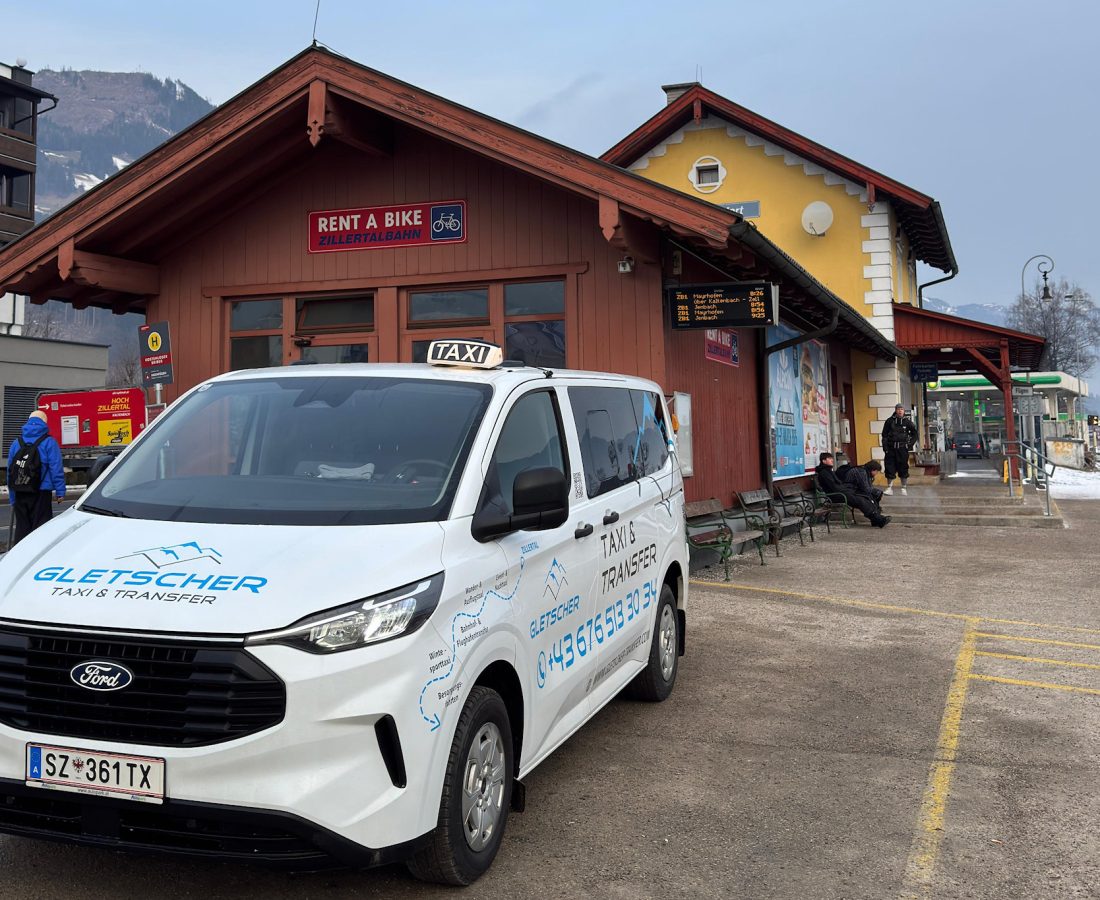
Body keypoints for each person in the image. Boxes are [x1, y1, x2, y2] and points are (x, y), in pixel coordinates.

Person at [7, 411, 66, 546]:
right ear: (44, 423)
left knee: (22, 529)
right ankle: (38, 559)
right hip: (41, 491)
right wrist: (60, 492)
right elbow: (56, 468)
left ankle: (20, 558)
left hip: (19, 491)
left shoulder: (16, 443)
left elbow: (11, 472)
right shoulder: (49, 442)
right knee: (41, 529)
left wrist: (12, 497)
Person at [815, 452, 890, 528]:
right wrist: (847, 490)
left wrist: (847, 489)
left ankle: (876, 519)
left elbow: (838, 485)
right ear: (824, 461)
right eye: (830, 459)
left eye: (832, 458)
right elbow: (833, 487)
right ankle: (878, 519)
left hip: (841, 492)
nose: (832, 460)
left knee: (863, 498)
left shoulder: (828, 471)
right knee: (860, 500)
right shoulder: (824, 473)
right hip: (836, 495)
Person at [842, 458, 892, 528]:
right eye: (876, 471)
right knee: (866, 499)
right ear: (873, 470)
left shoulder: (866, 472)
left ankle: (876, 519)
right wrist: (877, 492)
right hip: (850, 492)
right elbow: (866, 488)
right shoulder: (861, 472)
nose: (876, 474)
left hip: (855, 491)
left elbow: (867, 488)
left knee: (875, 495)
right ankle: (877, 519)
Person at [881, 404, 918, 495]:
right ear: (895, 410)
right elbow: (884, 435)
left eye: (901, 409)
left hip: (902, 449)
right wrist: (885, 447)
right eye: (898, 409)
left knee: (903, 467)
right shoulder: (889, 421)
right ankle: (889, 488)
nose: (900, 411)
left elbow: (915, 434)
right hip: (890, 449)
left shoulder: (908, 422)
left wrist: (909, 445)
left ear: (904, 411)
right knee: (889, 467)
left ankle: (903, 488)